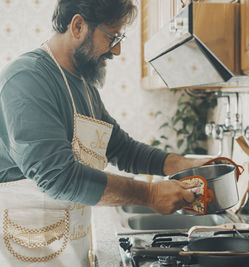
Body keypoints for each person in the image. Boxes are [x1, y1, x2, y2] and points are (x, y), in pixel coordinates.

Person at [0, 0, 207, 266]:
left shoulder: (83, 85)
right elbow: (58, 176)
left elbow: (120, 148)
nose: (118, 49)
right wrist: (150, 195)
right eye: (113, 36)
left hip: (68, 249)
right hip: (23, 254)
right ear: (78, 26)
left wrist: (183, 164)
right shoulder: (26, 80)